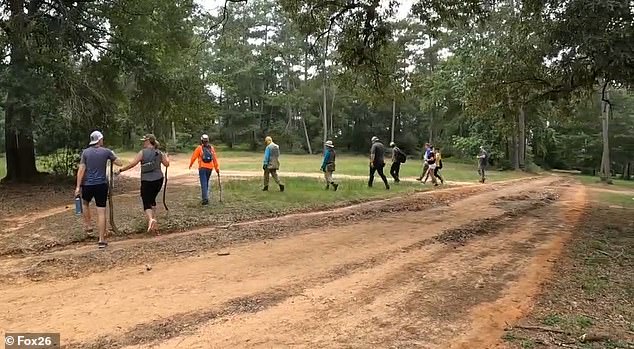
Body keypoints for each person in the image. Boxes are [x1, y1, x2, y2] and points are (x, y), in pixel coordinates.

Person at [75, 130, 123, 249]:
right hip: (101, 185)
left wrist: (77, 187)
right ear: (100, 140)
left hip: (88, 185)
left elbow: (81, 170)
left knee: (85, 203)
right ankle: (101, 240)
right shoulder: (106, 152)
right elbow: (119, 163)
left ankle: (88, 225)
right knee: (101, 212)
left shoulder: (85, 153)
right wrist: (112, 154)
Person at [116, 134, 170, 233]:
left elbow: (133, 164)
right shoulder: (159, 153)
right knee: (152, 199)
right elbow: (167, 164)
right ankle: (154, 221)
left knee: (146, 201)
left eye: (144, 141)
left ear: (148, 141)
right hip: (158, 180)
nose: (143, 143)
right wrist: (167, 157)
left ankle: (151, 219)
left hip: (146, 180)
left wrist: (121, 170)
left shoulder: (142, 153)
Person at [189, 134, 220, 205]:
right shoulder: (211, 148)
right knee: (206, 182)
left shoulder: (199, 148)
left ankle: (205, 199)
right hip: (210, 168)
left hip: (202, 168)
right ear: (208, 140)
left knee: (203, 183)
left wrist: (190, 164)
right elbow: (214, 159)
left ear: (201, 140)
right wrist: (217, 168)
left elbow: (194, 157)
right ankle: (205, 197)